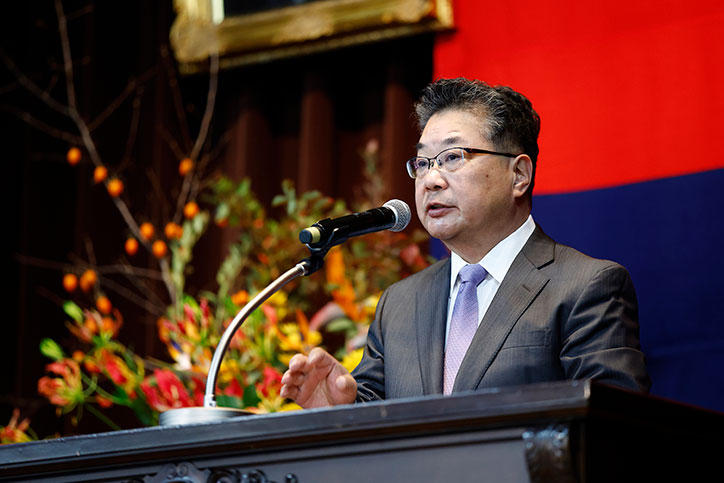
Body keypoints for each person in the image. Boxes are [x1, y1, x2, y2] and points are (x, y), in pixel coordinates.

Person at [280, 77, 651, 408]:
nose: (431, 180)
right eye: (422, 163)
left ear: (519, 175)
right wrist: (340, 408)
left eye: (452, 157)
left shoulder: (585, 287)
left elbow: (612, 429)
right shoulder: (400, 303)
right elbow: (376, 419)